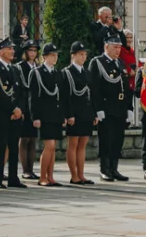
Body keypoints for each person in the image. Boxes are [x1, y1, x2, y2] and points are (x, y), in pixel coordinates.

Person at [89, 34, 132, 182]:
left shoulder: (120, 63)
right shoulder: (98, 62)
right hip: (107, 108)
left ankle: (114, 168)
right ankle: (105, 169)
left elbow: (126, 87)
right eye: (115, 47)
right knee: (106, 140)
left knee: (117, 140)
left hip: (120, 108)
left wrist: (130, 108)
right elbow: (95, 88)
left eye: (119, 47)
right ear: (106, 47)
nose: (118, 50)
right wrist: (98, 109)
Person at [0, 38, 26, 189]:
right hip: (2, 114)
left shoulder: (15, 69)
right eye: (9, 49)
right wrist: (12, 109)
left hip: (15, 115)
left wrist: (20, 109)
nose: (12, 51)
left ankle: (13, 178)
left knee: (14, 147)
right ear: (1, 51)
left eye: (12, 49)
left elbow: (21, 91)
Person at [28, 43, 65, 187]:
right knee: (49, 145)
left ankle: (50, 176)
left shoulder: (57, 73)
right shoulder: (37, 72)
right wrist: (35, 116)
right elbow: (33, 97)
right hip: (44, 115)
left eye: (56, 55)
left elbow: (60, 96)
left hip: (56, 114)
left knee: (53, 147)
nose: (55, 58)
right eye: (52, 55)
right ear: (44, 57)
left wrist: (63, 115)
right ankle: (42, 177)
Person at [63, 41, 95, 185]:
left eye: (85, 54)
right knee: (73, 144)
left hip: (86, 112)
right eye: (81, 54)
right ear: (73, 55)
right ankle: (74, 175)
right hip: (75, 114)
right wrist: (69, 114)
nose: (84, 57)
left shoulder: (86, 72)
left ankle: (81, 174)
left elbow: (91, 94)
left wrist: (94, 113)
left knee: (83, 145)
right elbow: (66, 96)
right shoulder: (67, 72)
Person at [16, 40, 40, 179]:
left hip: (35, 107)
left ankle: (31, 169)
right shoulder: (20, 67)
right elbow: (20, 88)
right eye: (30, 50)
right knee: (24, 139)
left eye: (35, 51)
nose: (32, 53)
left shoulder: (38, 67)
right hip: (25, 106)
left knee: (33, 139)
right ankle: (25, 170)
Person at [119, 27, 138, 92]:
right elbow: (119, 62)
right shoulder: (120, 50)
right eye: (127, 37)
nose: (129, 40)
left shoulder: (132, 51)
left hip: (133, 81)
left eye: (130, 38)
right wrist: (129, 70)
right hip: (124, 80)